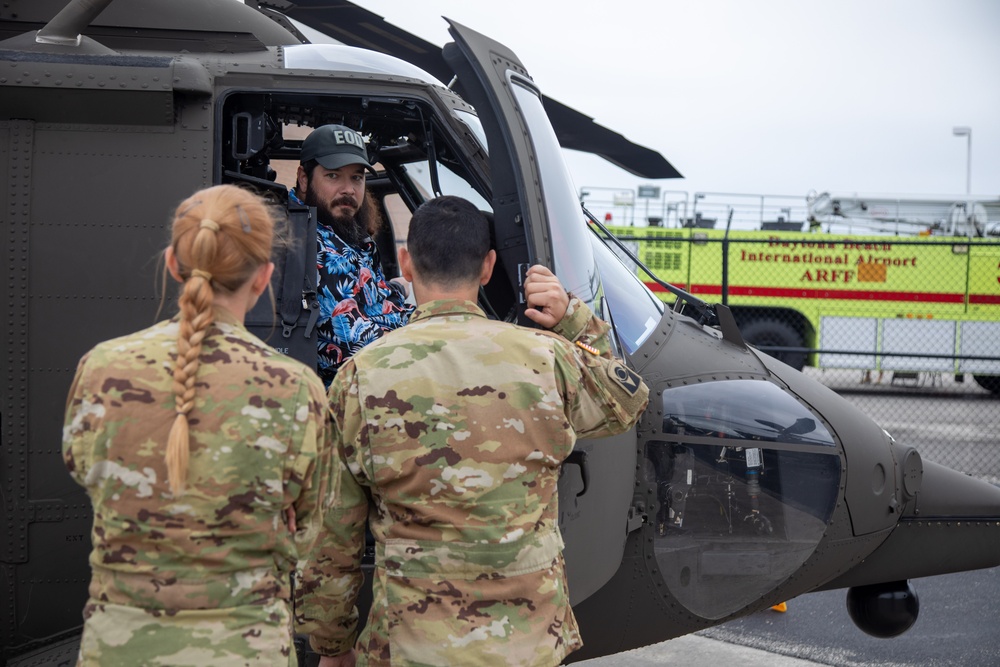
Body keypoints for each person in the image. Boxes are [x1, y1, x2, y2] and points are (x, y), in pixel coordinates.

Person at [297, 195, 650, 667]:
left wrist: (332, 645)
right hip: (528, 648)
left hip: (408, 647)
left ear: (405, 260)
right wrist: (573, 317)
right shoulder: (547, 358)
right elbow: (627, 399)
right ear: (487, 268)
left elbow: (331, 537)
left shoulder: (362, 377)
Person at [62, 185, 332, 666]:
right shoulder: (295, 388)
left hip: (119, 648)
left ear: (172, 263)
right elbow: (309, 523)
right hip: (246, 649)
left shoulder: (101, 369)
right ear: (265, 277)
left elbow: (85, 473)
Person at [291, 124, 414, 387]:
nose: (348, 189)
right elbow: (356, 345)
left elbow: (374, 305)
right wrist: (435, 327)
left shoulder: (347, 235)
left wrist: (398, 292)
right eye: (333, 176)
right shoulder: (306, 242)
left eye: (356, 178)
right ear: (304, 178)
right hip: (344, 405)